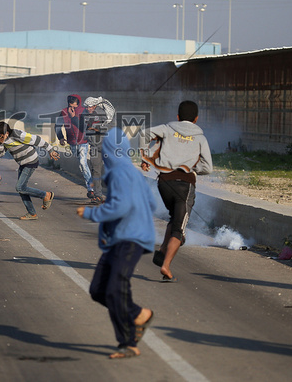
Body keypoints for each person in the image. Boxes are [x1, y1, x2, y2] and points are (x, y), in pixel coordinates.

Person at [76, 128, 156, 359]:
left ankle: (128, 342)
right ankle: (139, 314)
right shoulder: (130, 172)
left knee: (114, 288)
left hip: (131, 238)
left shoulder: (121, 172)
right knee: (98, 290)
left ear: (109, 151)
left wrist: (92, 214)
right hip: (118, 238)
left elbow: (119, 207)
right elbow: (150, 203)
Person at [141, 100, 212, 282]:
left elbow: (143, 133)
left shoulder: (167, 128)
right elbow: (208, 167)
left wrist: (145, 155)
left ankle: (163, 249)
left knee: (174, 218)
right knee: (179, 230)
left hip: (164, 183)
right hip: (185, 185)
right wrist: (193, 169)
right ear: (196, 119)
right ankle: (166, 265)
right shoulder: (200, 138)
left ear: (178, 117)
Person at [0, 121, 58, 220]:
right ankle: (32, 213)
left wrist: (50, 149)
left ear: (6, 132)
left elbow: (37, 139)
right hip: (22, 163)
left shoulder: (18, 135)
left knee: (20, 187)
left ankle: (46, 195)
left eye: (1, 136)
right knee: (22, 190)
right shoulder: (2, 140)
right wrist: (0, 143)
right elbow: (1, 154)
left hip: (31, 161)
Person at [55, 94, 94, 200]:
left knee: (83, 162)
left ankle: (91, 189)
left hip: (83, 142)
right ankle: (90, 182)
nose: (72, 108)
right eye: (70, 106)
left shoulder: (83, 111)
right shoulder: (63, 112)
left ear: (79, 105)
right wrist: (61, 137)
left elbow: (83, 127)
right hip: (72, 143)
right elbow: (57, 126)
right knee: (81, 166)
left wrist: (73, 117)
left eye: (75, 107)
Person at [83, 96, 116, 202]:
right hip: (94, 147)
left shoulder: (105, 114)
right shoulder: (86, 115)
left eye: (90, 107)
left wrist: (97, 128)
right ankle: (98, 195)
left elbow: (112, 126)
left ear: (95, 105)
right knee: (95, 170)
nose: (88, 109)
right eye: (87, 107)